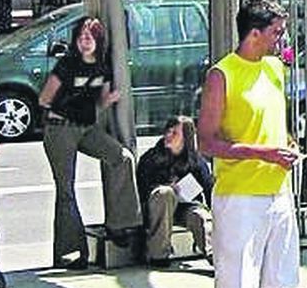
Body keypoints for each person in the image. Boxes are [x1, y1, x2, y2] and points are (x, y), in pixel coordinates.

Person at [197, 0, 305, 288]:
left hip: (277, 192)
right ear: (254, 33)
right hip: (238, 196)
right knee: (232, 285)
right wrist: (263, 154)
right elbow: (206, 142)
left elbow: (272, 127)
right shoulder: (222, 75)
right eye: (276, 32)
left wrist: (286, 148)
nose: (282, 39)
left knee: (275, 281)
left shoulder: (275, 69)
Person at [40, 15, 142, 269]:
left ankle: (122, 224)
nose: (85, 41)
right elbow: (44, 99)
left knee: (122, 158)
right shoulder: (65, 65)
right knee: (66, 191)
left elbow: (102, 99)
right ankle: (71, 253)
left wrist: (110, 99)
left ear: (99, 41)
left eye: (91, 36)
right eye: (81, 36)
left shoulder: (103, 67)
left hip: (86, 128)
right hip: (60, 129)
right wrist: (69, 105)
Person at [136, 115, 214, 265]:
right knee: (165, 193)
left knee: (201, 216)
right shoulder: (151, 158)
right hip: (159, 209)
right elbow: (141, 189)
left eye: (174, 133)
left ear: (186, 137)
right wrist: (165, 187)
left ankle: (215, 258)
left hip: (185, 207)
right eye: (167, 131)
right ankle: (158, 255)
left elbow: (208, 189)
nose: (168, 136)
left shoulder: (196, 162)